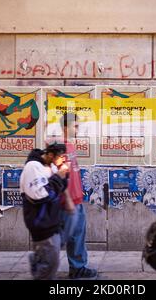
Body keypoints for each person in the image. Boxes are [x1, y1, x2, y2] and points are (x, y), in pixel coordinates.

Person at [20, 143, 69, 280]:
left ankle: (37, 261)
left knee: (52, 256)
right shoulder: (33, 167)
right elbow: (41, 195)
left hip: (51, 221)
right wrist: (58, 177)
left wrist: (63, 176)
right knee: (50, 263)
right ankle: (40, 268)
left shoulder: (49, 166)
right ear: (50, 155)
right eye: (60, 157)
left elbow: (57, 189)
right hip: (41, 222)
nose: (62, 160)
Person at [59, 113, 98, 279]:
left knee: (78, 235)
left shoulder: (71, 146)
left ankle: (78, 266)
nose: (78, 129)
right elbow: (59, 177)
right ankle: (77, 268)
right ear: (66, 127)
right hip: (68, 202)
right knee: (73, 236)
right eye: (75, 126)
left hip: (77, 199)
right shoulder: (60, 148)